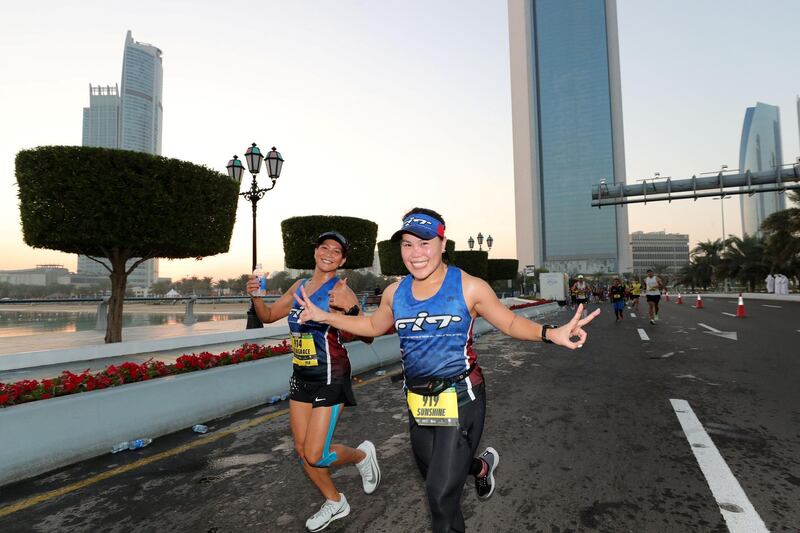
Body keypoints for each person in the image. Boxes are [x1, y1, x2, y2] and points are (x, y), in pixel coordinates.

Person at [293, 208, 600, 533]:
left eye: (424, 243)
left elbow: (509, 321)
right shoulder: (395, 293)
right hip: (418, 403)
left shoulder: (469, 287)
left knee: (439, 496)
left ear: (442, 244)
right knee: (441, 485)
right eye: (408, 244)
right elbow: (371, 324)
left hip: (462, 398)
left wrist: (551, 333)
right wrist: (327, 317)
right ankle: (480, 467)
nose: (416, 253)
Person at [247, 231, 381, 532]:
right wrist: (255, 295)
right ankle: (335, 502)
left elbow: (368, 334)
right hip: (302, 375)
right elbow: (267, 315)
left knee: (316, 454)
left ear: (342, 260)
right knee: (301, 448)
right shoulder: (299, 286)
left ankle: (361, 455)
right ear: (316, 252)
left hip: (331, 375)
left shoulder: (339, 291)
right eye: (324, 247)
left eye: (337, 251)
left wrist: (351, 308)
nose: (329, 253)